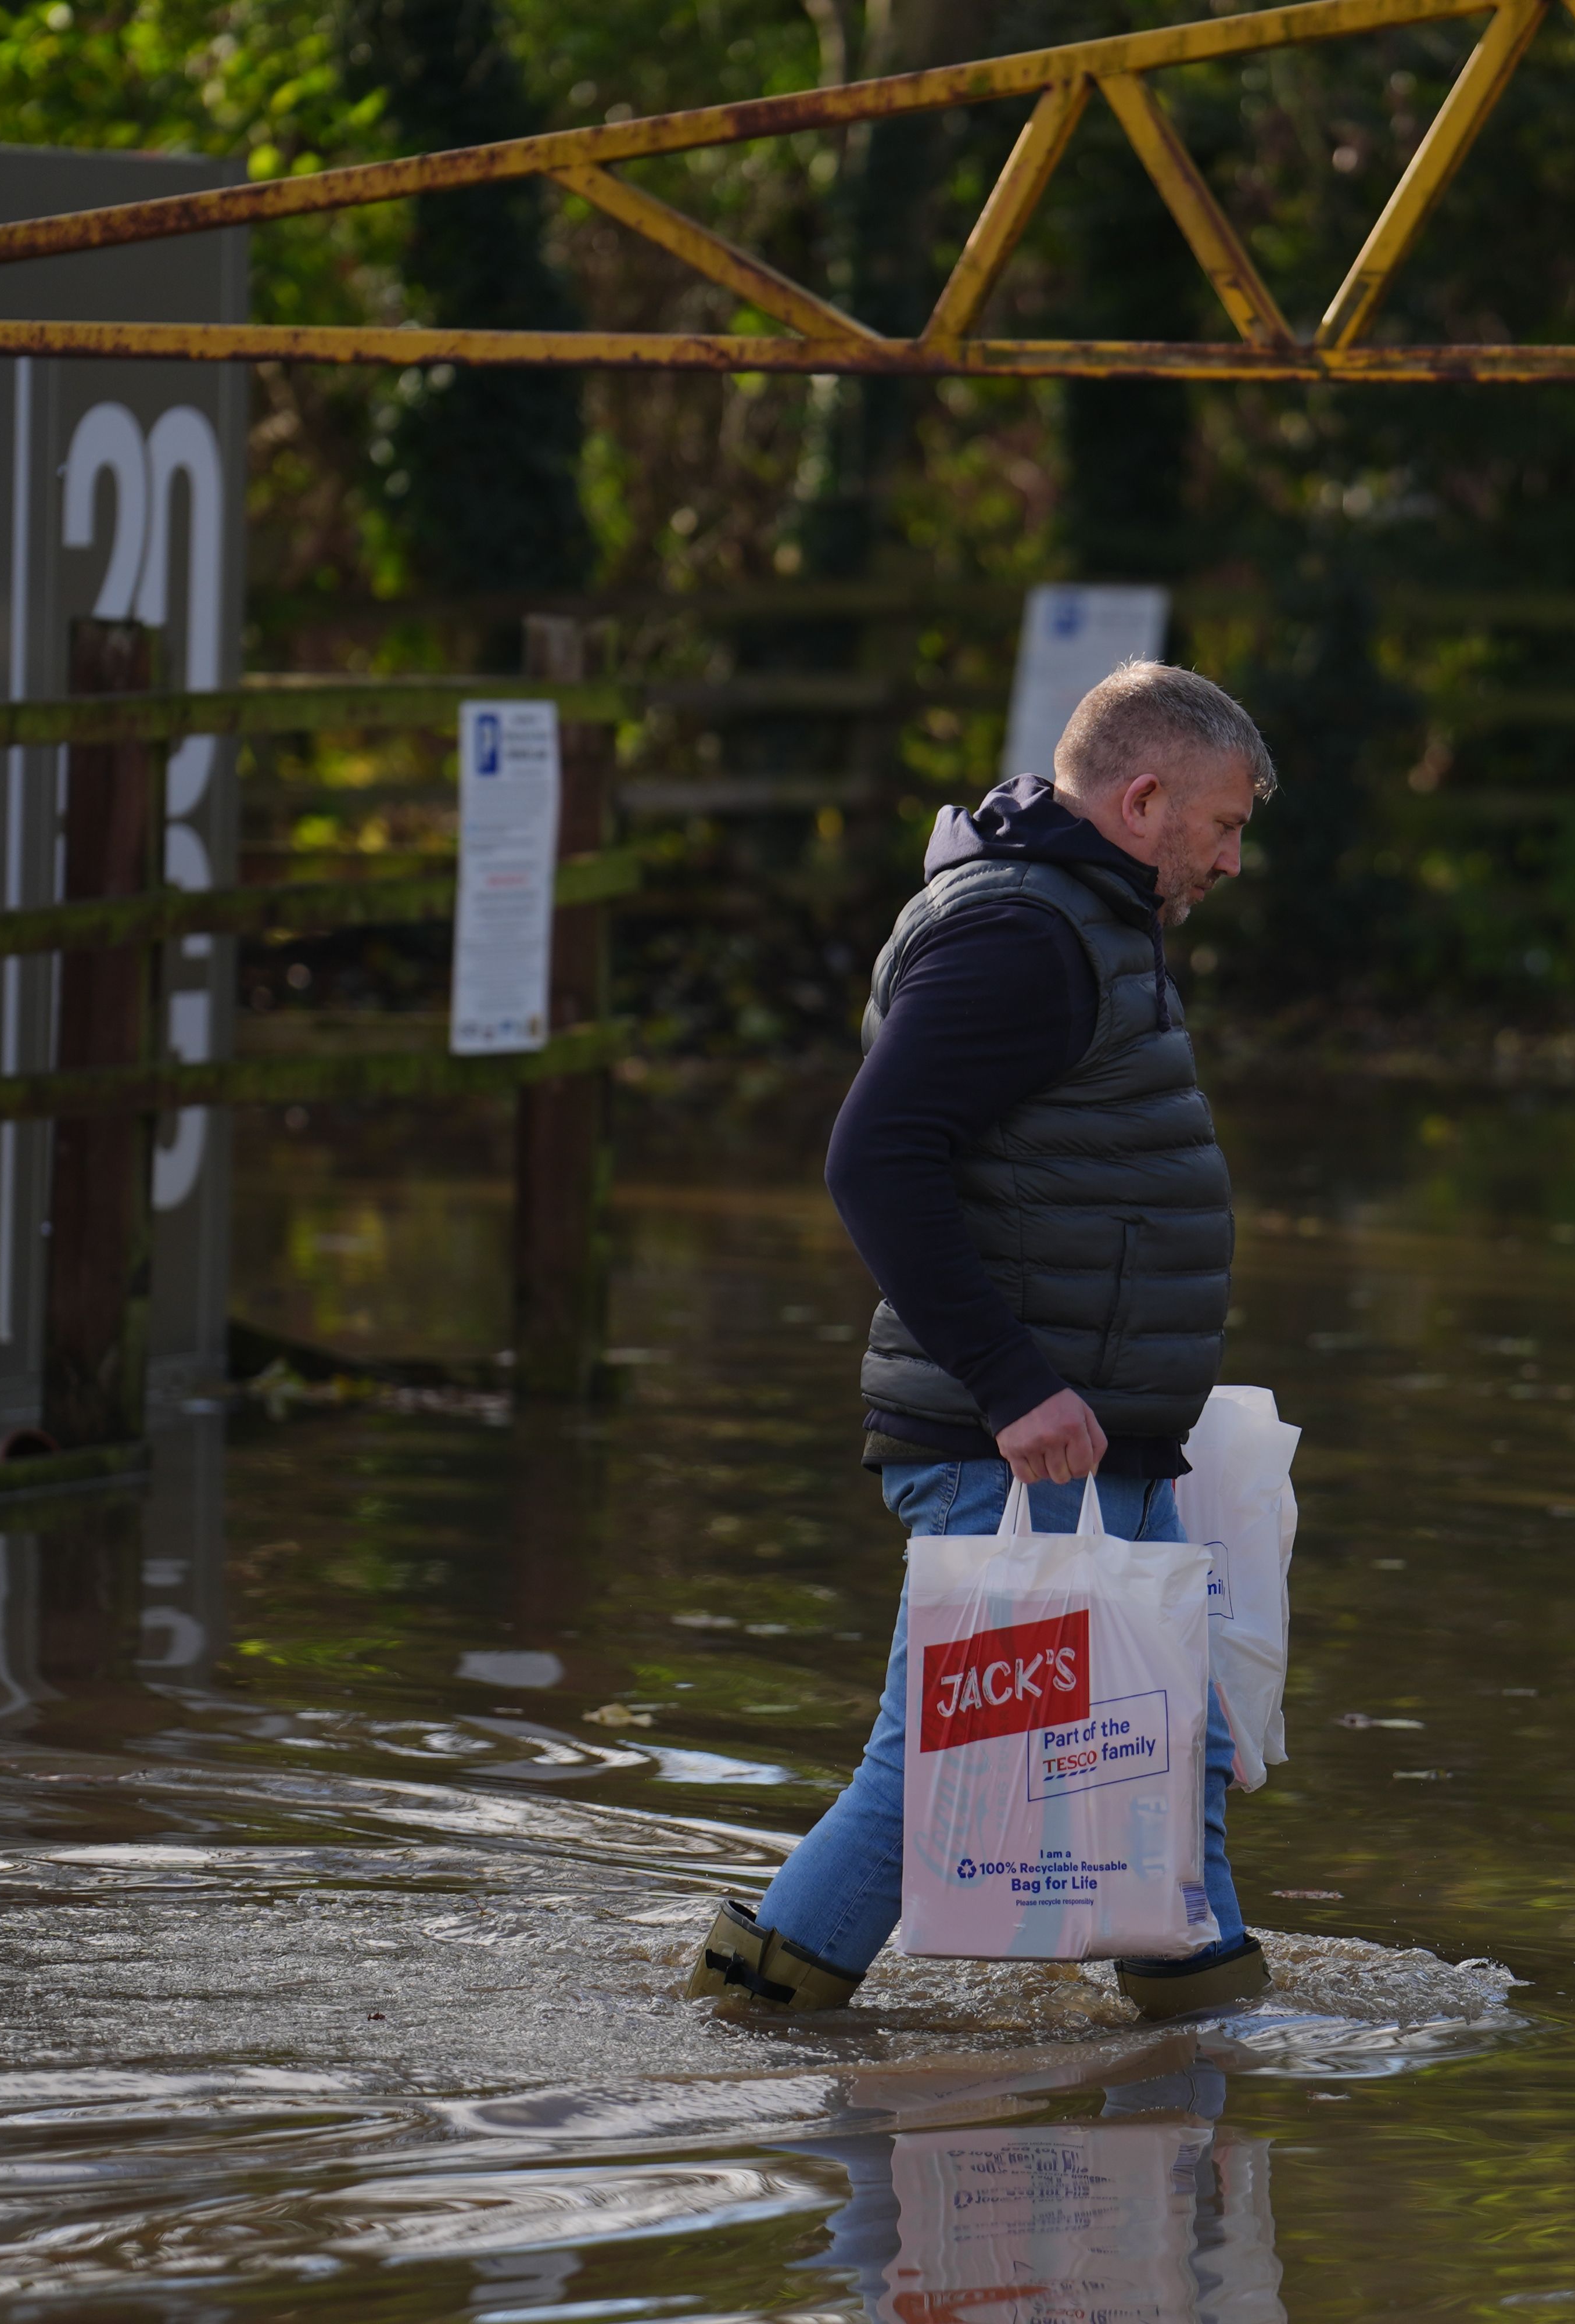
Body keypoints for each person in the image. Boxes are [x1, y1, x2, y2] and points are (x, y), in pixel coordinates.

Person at [691, 658, 1276, 2021]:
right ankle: (742, 2019)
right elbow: (873, 1155)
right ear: (1143, 799)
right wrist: (1016, 1385)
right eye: (1225, 825)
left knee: (1168, 1759)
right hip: (1019, 1447)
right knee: (930, 1777)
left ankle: (1223, 2058)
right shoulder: (1026, 935)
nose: (1233, 860)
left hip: (1086, 1441)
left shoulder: (1078, 919)